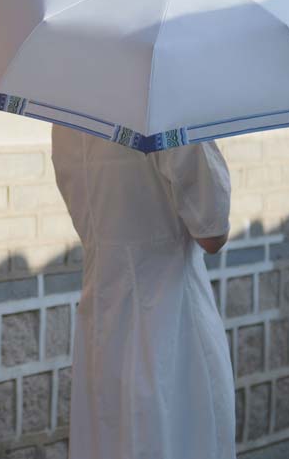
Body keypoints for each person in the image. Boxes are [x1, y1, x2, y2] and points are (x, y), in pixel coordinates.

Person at [50, 124, 235, 459]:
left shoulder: (69, 114)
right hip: (172, 326)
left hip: (102, 324)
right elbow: (213, 231)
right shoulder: (169, 111)